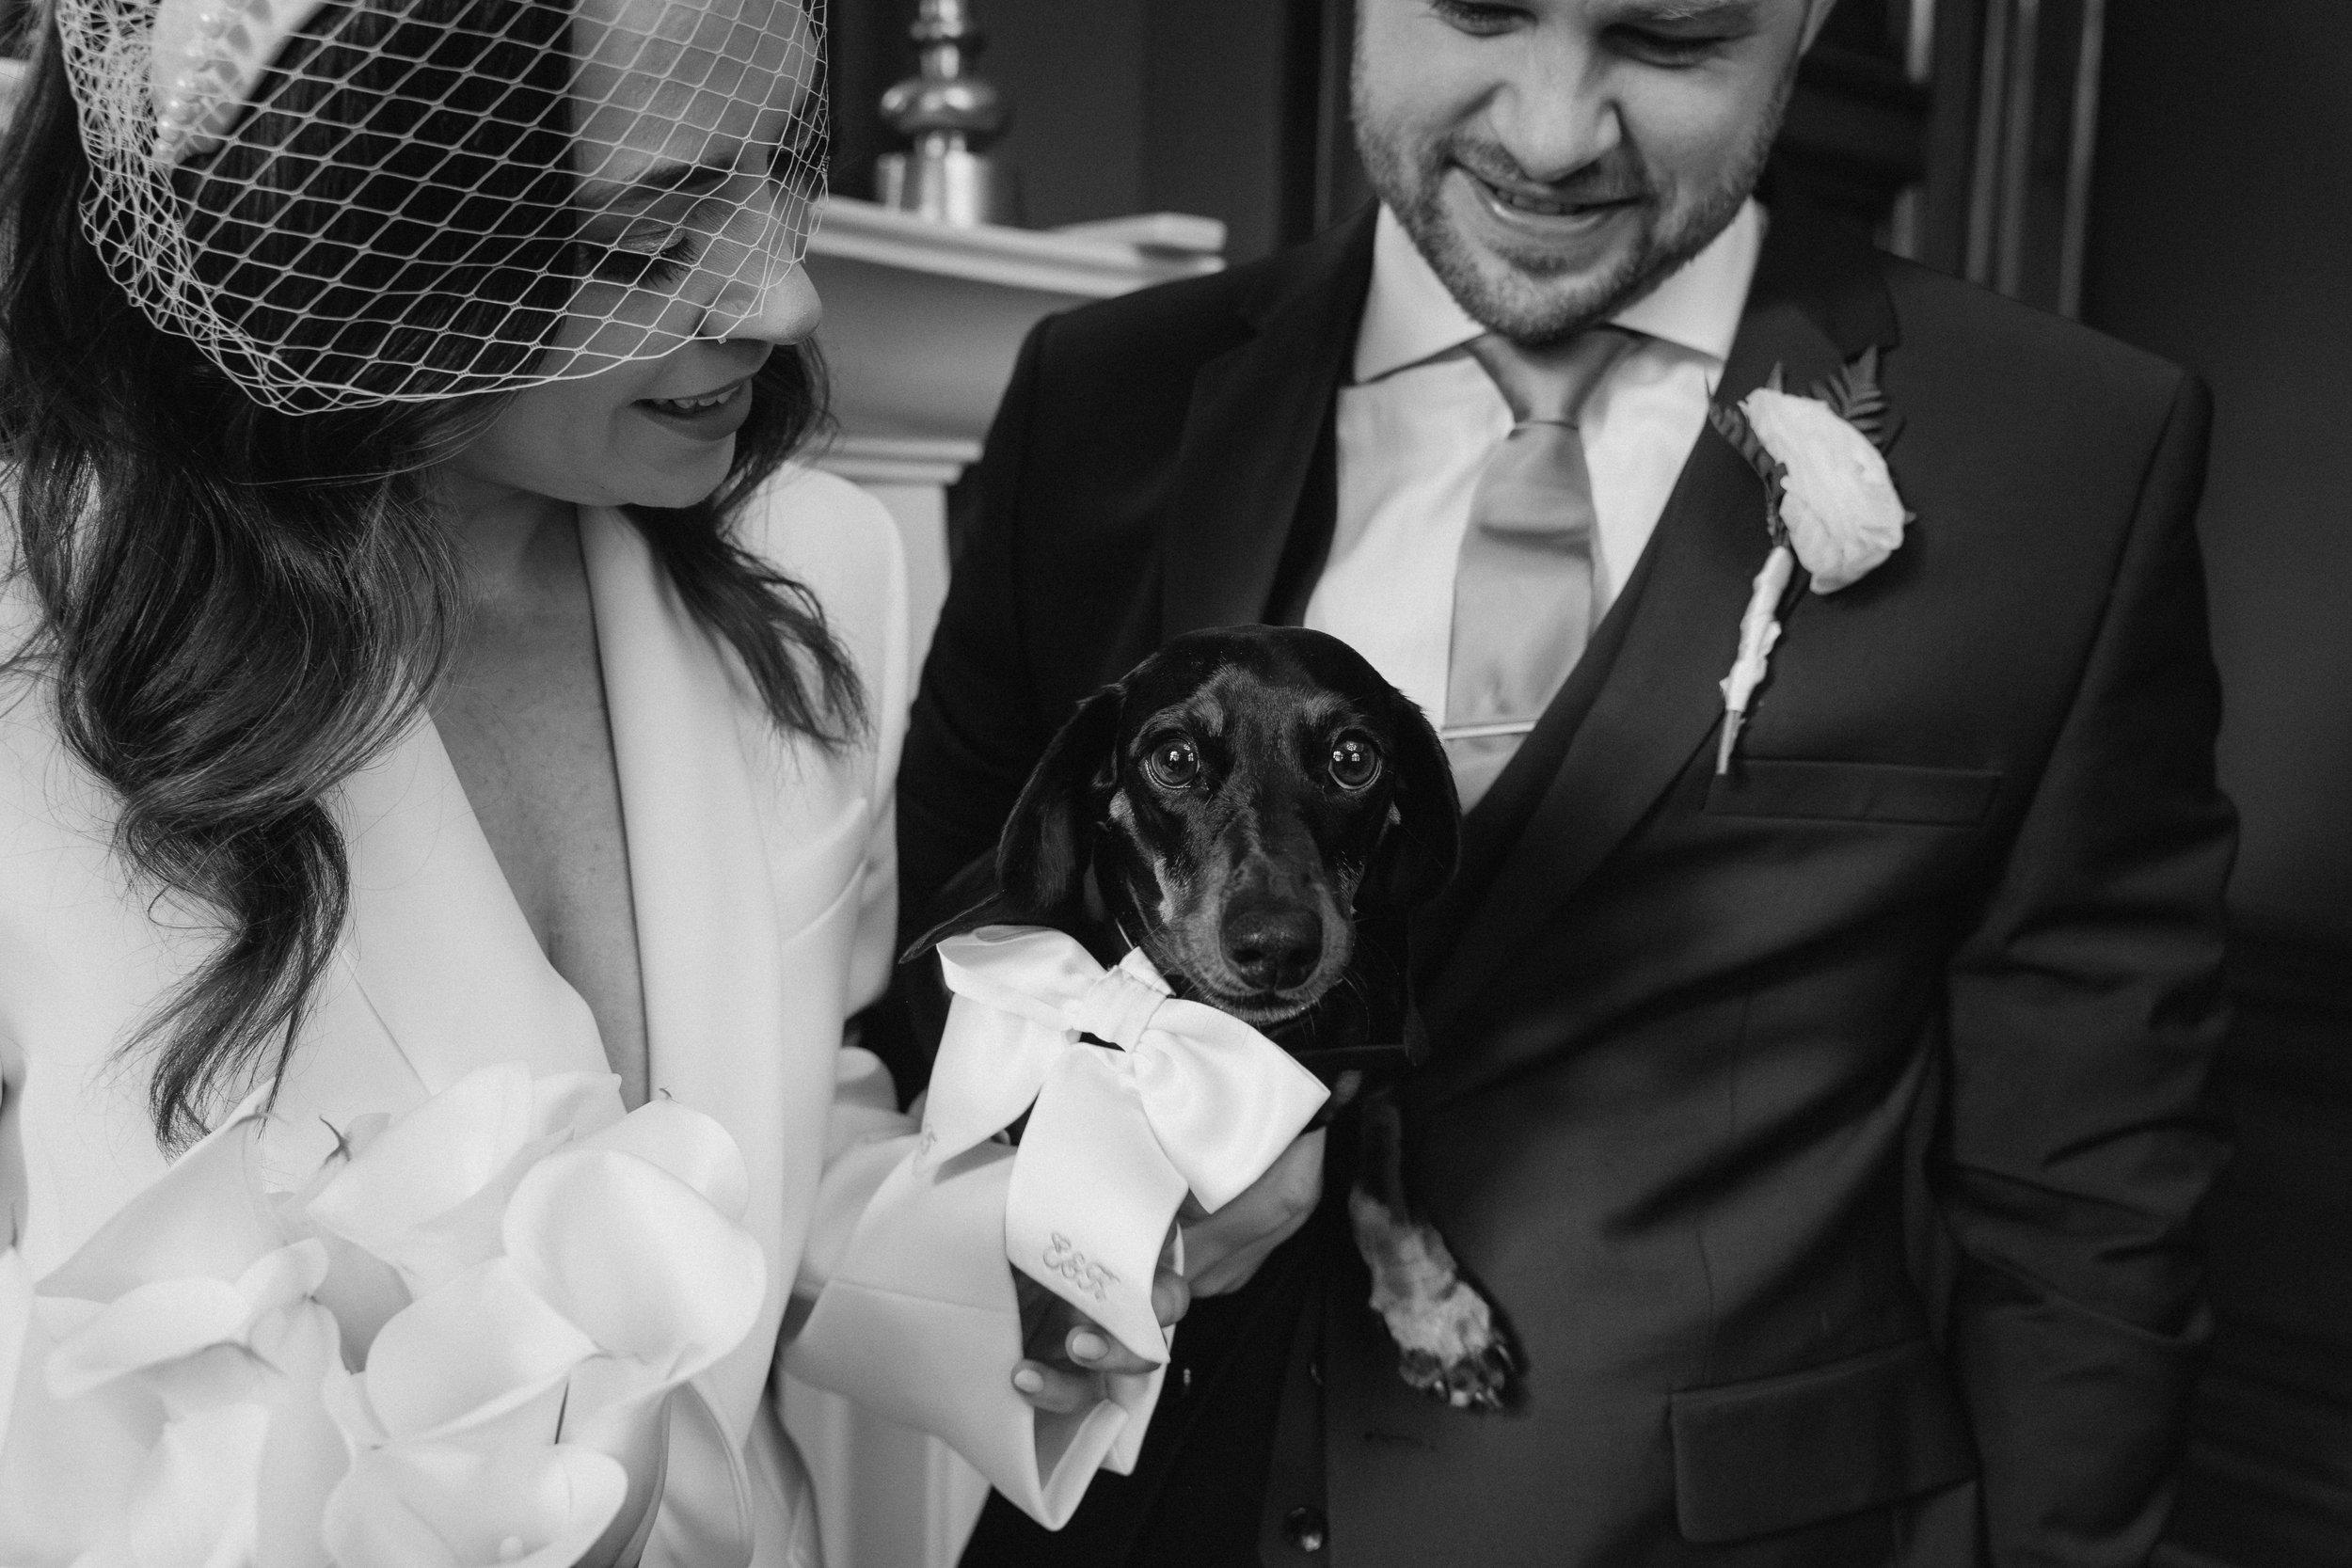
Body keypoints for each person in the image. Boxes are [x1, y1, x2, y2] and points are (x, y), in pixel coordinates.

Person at [901, 1, 2236, 1564]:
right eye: (1480, 6)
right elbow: (945, 967)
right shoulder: (1097, 394)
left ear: (1802, 23)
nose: (1551, 131)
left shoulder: (2068, 450)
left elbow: (2091, 1202)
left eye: (1667, 40)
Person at [0, 0, 1164, 1559]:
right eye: (642, 237)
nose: (782, 295)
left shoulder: (822, 575)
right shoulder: (35, 632)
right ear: (355, 228)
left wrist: (1048, 1260)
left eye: (777, 174)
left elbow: (765, 1133)